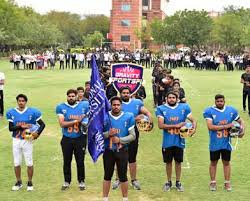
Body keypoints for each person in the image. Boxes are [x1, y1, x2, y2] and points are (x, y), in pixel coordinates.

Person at [112, 86, 152, 190]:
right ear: (120, 94)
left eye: (127, 92)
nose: (125, 94)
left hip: (133, 134)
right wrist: (135, 118)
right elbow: (119, 119)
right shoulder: (117, 104)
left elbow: (147, 112)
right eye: (123, 92)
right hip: (120, 134)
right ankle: (118, 179)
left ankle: (134, 180)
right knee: (118, 157)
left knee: (132, 158)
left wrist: (149, 121)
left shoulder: (137, 102)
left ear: (130, 93)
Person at [155, 91, 197, 192]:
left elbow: (193, 120)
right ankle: (168, 182)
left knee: (178, 162)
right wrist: (176, 125)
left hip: (179, 141)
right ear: (166, 99)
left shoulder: (184, 107)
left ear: (177, 99)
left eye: (173, 97)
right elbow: (161, 125)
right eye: (169, 97)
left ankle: (178, 182)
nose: (171, 99)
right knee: (168, 162)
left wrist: (193, 129)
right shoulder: (161, 109)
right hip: (167, 141)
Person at [203, 94, 245, 191]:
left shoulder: (231, 110)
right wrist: (227, 126)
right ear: (215, 102)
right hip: (215, 143)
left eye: (221, 101)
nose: (219, 103)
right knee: (213, 162)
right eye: (218, 101)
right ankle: (213, 182)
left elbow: (241, 121)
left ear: (224, 101)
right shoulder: (209, 111)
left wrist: (242, 131)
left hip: (226, 143)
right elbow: (210, 127)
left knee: (226, 163)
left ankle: (227, 183)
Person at [6, 94, 45, 191]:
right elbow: (11, 128)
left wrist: (37, 134)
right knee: (16, 163)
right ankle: (18, 181)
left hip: (27, 140)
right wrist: (21, 127)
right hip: (16, 139)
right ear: (17, 101)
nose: (21, 102)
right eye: (19, 101)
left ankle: (30, 182)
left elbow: (42, 124)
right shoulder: (12, 112)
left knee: (29, 162)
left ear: (26, 102)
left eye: (23, 101)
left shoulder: (32, 112)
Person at [103, 96, 136, 201]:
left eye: (118, 105)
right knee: (107, 175)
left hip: (122, 150)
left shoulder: (129, 116)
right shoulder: (104, 116)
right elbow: (98, 134)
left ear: (121, 105)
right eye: (114, 105)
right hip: (108, 150)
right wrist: (109, 133)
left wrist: (120, 140)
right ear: (111, 105)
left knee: (123, 176)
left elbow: (133, 136)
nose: (116, 107)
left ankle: (125, 198)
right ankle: (105, 198)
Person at [56, 89, 89, 191]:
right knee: (67, 161)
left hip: (80, 138)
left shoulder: (84, 105)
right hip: (67, 138)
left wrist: (85, 121)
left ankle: (81, 181)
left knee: (80, 161)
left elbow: (92, 114)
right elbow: (62, 124)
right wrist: (77, 120)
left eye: (73, 96)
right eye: (69, 96)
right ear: (67, 96)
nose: (71, 98)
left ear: (76, 96)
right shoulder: (61, 107)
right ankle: (67, 181)